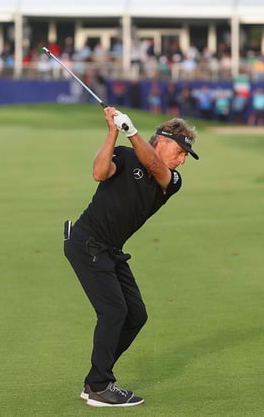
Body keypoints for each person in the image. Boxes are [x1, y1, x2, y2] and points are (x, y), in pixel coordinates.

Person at [64, 107, 199, 408]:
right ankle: (100, 385)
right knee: (113, 312)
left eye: (185, 155)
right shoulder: (124, 156)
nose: (182, 160)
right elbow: (99, 173)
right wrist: (114, 131)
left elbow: (151, 163)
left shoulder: (171, 180)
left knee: (135, 315)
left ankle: (96, 380)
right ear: (162, 141)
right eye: (181, 151)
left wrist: (131, 130)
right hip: (87, 242)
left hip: (110, 249)